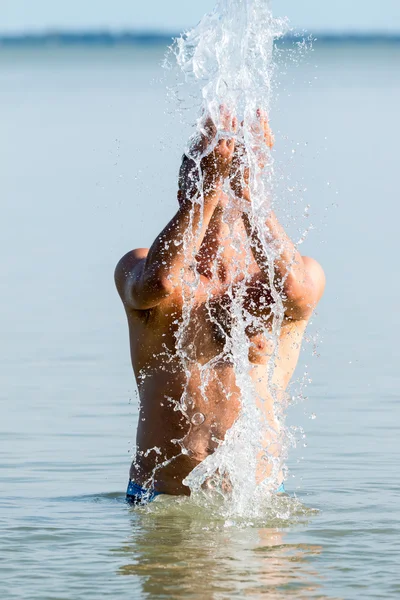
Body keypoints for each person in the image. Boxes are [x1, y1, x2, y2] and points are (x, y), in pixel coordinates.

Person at [115, 108, 326, 505]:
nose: (226, 185)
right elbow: (158, 284)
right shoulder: (142, 266)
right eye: (213, 177)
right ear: (184, 195)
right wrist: (209, 189)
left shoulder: (283, 277)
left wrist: (249, 194)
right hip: (162, 500)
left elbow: (296, 290)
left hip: (259, 502)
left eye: (236, 180)